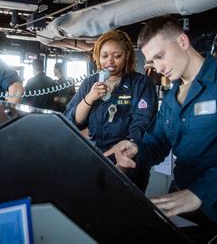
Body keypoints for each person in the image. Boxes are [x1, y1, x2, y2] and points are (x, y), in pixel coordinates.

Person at [105, 15, 217, 243]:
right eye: (152, 61)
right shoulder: (172, 98)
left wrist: (200, 193)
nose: (158, 67)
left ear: (183, 42)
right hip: (184, 204)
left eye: (160, 56)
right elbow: (157, 142)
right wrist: (136, 148)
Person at [65, 30, 157, 192]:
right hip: (97, 157)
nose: (110, 61)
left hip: (129, 158)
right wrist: (90, 98)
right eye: (105, 55)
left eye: (117, 55)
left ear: (127, 55)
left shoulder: (140, 84)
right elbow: (72, 121)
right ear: (98, 57)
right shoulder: (90, 83)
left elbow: (142, 122)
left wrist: (125, 158)